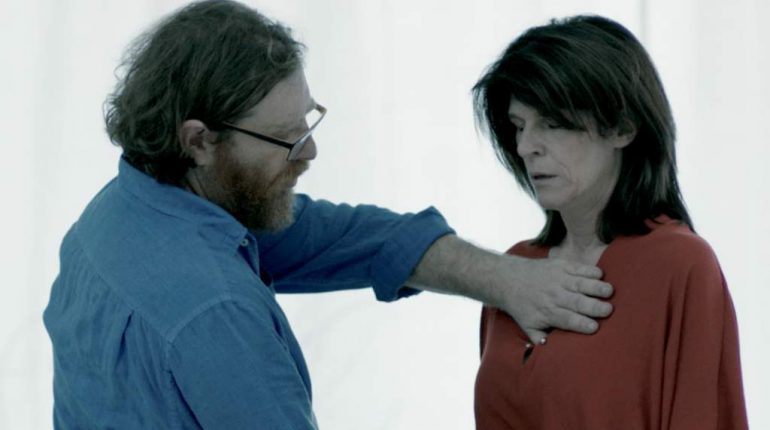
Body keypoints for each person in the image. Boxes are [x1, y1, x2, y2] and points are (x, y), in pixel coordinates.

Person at [42, 2, 615, 429]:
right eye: (286, 138)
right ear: (199, 141)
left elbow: (353, 239)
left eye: (308, 121)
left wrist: (505, 278)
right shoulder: (216, 312)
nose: (310, 152)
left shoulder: (123, 211)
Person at [472, 15, 748, 429]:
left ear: (622, 127)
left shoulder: (680, 264)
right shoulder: (514, 269)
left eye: (552, 123)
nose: (526, 146)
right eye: (518, 126)